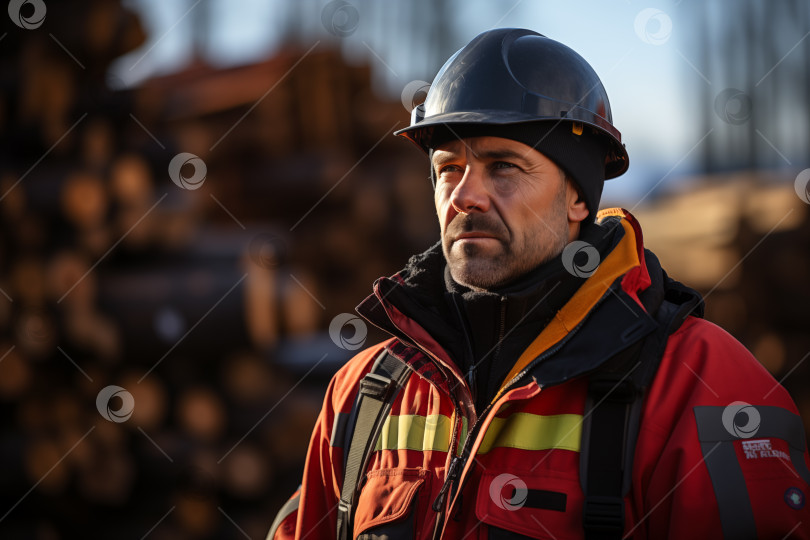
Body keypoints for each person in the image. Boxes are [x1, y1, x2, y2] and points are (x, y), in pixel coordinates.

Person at [268, 28, 810, 539]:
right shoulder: (366, 391)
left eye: (502, 166)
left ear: (579, 197)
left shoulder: (705, 384)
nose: (464, 196)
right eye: (448, 167)